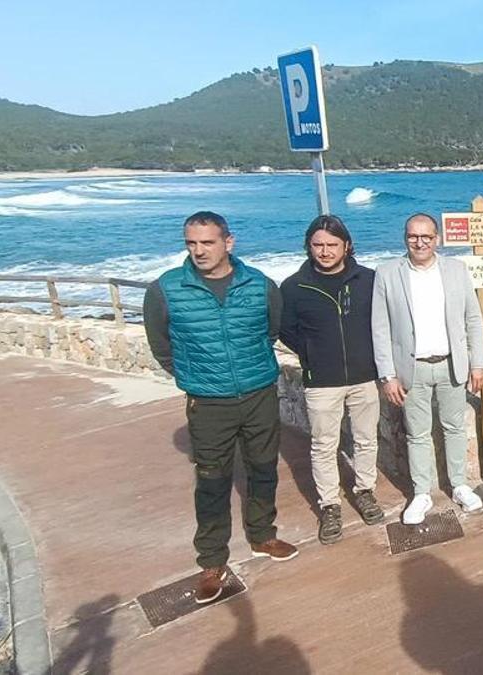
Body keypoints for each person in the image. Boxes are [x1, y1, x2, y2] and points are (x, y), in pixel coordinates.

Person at [143, 211, 297, 605]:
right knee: (212, 481)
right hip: (208, 402)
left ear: (229, 242)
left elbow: (271, 330)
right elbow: (162, 347)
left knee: (263, 468)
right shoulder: (166, 290)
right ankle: (212, 561)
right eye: (191, 243)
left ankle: (263, 535)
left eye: (207, 242)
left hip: (259, 391)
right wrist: (195, 377)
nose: (199, 251)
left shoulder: (260, 285)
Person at [372, 213, 483, 524]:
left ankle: (460, 485)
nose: (420, 242)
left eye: (426, 236)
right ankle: (422, 493)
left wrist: (478, 363)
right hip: (412, 368)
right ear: (405, 238)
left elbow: (473, 319)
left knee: (454, 427)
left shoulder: (456, 270)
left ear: (437, 239)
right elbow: (379, 328)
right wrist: (388, 375)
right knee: (417, 433)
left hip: (451, 364)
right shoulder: (386, 274)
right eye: (413, 236)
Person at [280, 215, 383, 545]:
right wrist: (311, 354)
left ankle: (365, 490)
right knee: (324, 446)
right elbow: (287, 330)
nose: (324, 251)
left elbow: (381, 323)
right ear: (309, 246)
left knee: (366, 439)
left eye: (331, 244)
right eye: (318, 244)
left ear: (347, 245)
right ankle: (330, 506)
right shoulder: (294, 287)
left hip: (365, 375)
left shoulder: (368, 280)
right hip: (322, 380)